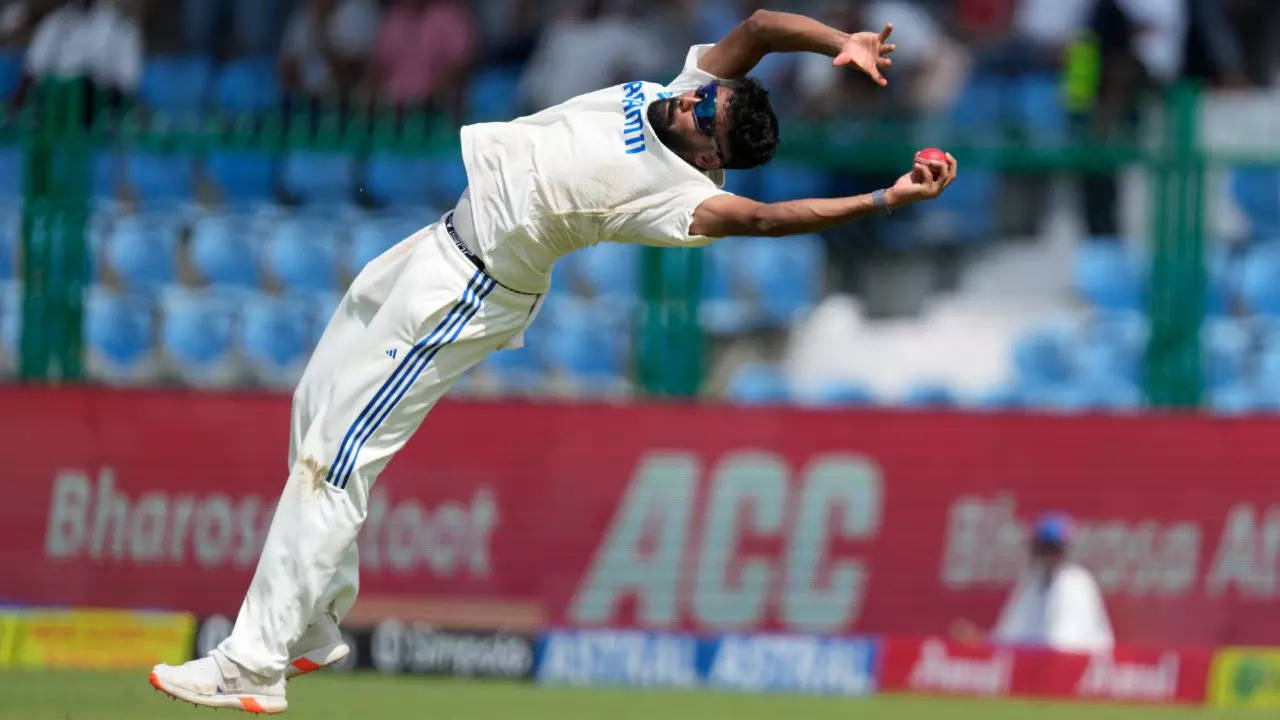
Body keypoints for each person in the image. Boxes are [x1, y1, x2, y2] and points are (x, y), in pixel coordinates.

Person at [149, 9, 957, 713]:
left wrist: (884, 199)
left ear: (711, 155)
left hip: (464, 291)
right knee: (315, 407)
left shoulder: (680, 198)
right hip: (432, 244)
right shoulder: (684, 87)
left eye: (707, 110)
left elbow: (771, 219)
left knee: (335, 464)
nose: (696, 95)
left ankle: (252, 664)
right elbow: (756, 27)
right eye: (710, 91)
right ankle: (316, 620)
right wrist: (837, 42)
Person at [952, 512, 1115, 653]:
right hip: (1038, 670)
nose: (1048, 555)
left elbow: (1062, 644)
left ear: (1064, 550)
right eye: (1043, 548)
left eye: (1053, 548)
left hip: (1083, 677)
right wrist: (980, 642)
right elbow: (1009, 636)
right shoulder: (1031, 581)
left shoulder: (1075, 582)